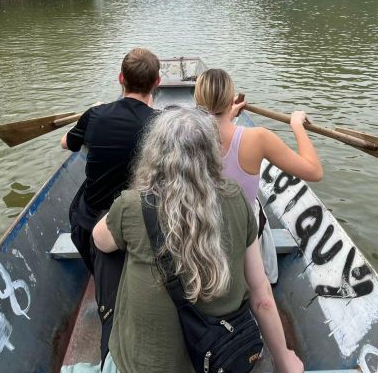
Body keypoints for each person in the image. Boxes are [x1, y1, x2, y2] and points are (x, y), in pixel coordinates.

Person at [92, 107, 304, 373]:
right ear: (212, 153)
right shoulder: (236, 197)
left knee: (111, 250)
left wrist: (136, 196)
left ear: (154, 155)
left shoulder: (132, 204)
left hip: (143, 366)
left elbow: (99, 241)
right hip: (220, 360)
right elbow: (261, 296)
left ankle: (110, 323)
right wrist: (284, 358)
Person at [61, 47, 160, 361]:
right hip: (140, 227)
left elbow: (66, 143)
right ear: (156, 83)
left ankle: (99, 275)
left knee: (80, 202)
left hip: (92, 225)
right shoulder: (161, 124)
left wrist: (88, 115)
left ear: (120, 79)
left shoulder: (95, 115)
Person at [194, 68, 322, 281]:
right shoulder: (258, 138)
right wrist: (296, 125)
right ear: (229, 100)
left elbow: (213, 125)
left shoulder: (184, 135)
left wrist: (228, 115)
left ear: (197, 100)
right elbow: (314, 171)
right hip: (243, 228)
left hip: (204, 223)